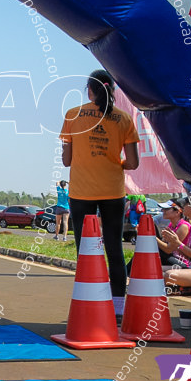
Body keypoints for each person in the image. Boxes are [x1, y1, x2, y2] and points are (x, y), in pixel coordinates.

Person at [61, 69, 139, 317]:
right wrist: (114, 162)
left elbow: (66, 161)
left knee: (85, 250)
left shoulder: (73, 115)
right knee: (114, 248)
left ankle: (89, 306)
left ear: (89, 91)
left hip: (81, 192)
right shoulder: (125, 119)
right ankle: (117, 310)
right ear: (113, 90)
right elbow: (133, 163)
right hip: (113, 191)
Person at [163, 197, 191, 294]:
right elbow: (190, 256)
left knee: (169, 275)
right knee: (156, 270)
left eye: (185, 205)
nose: (183, 208)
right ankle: (185, 287)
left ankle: (186, 287)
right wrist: (175, 244)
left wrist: (177, 243)